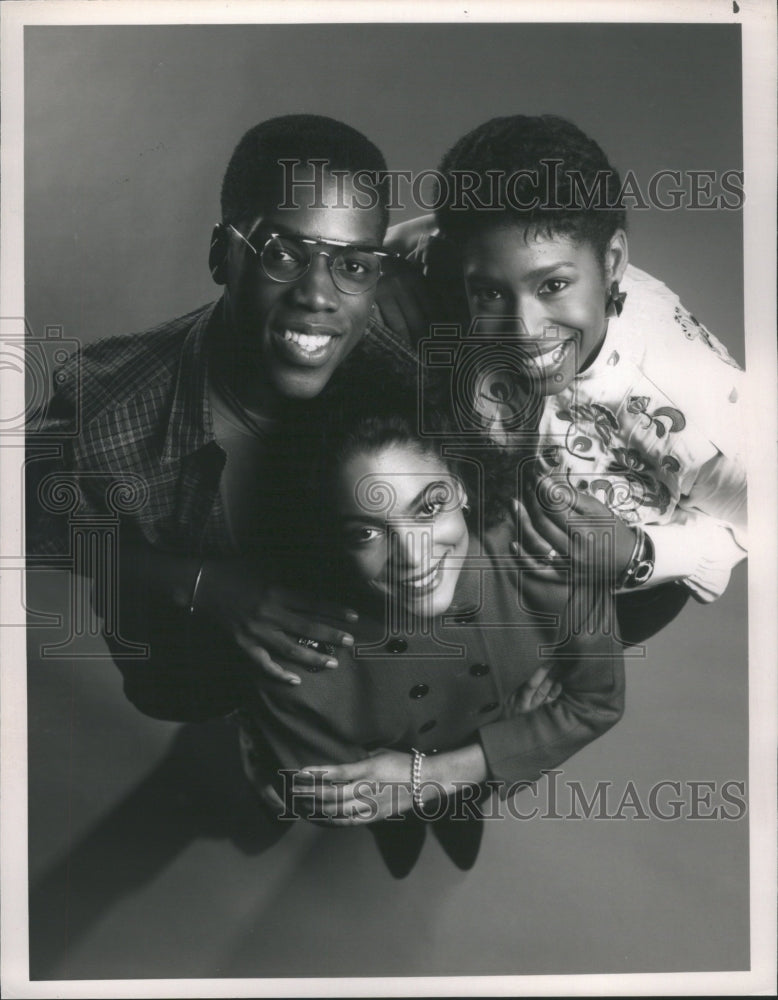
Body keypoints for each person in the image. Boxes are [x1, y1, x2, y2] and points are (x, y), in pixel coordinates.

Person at [27, 114, 415, 697]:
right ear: (220, 256)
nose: (317, 294)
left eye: (352, 265)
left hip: (351, 691)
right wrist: (199, 584)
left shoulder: (408, 382)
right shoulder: (111, 400)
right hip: (188, 672)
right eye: (283, 254)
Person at [223, 357, 625, 875]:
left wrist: (431, 777)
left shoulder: (543, 555)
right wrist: (520, 735)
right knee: (395, 828)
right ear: (332, 539)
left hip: (481, 774)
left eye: (428, 507)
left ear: (460, 481)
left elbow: (599, 704)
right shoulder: (299, 652)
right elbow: (328, 801)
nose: (414, 558)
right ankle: (407, 828)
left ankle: (453, 814)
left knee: (460, 811)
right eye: (366, 533)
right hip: (453, 776)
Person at [380, 115, 747, 642]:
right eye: (489, 292)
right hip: (501, 518)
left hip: (609, 587)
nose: (523, 331)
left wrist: (640, 556)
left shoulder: (696, 403)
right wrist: (379, 272)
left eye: (552, 285)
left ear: (613, 261)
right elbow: (423, 239)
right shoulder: (465, 249)